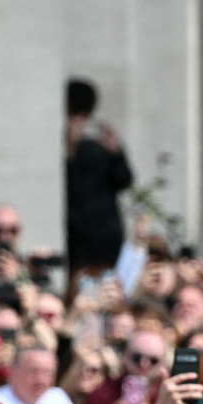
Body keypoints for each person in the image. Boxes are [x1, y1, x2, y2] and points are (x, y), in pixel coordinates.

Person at [65, 79, 134, 273]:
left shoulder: (101, 146)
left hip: (105, 229)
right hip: (77, 230)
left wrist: (116, 152)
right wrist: (69, 150)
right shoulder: (63, 146)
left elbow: (125, 180)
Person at [0, 347, 81, 404]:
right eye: (33, 371)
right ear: (13, 371)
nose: (41, 380)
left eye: (48, 372)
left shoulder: (58, 398)